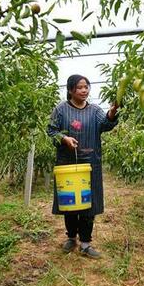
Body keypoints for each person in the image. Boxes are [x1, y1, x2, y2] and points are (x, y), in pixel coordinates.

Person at [47, 74, 119, 258]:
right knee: (70, 202)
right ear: (71, 90)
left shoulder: (94, 110)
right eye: (80, 87)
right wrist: (64, 138)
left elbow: (105, 124)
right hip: (68, 164)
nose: (84, 90)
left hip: (90, 163)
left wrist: (112, 112)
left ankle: (85, 243)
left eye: (86, 86)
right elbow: (51, 130)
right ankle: (71, 237)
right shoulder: (61, 110)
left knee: (89, 204)